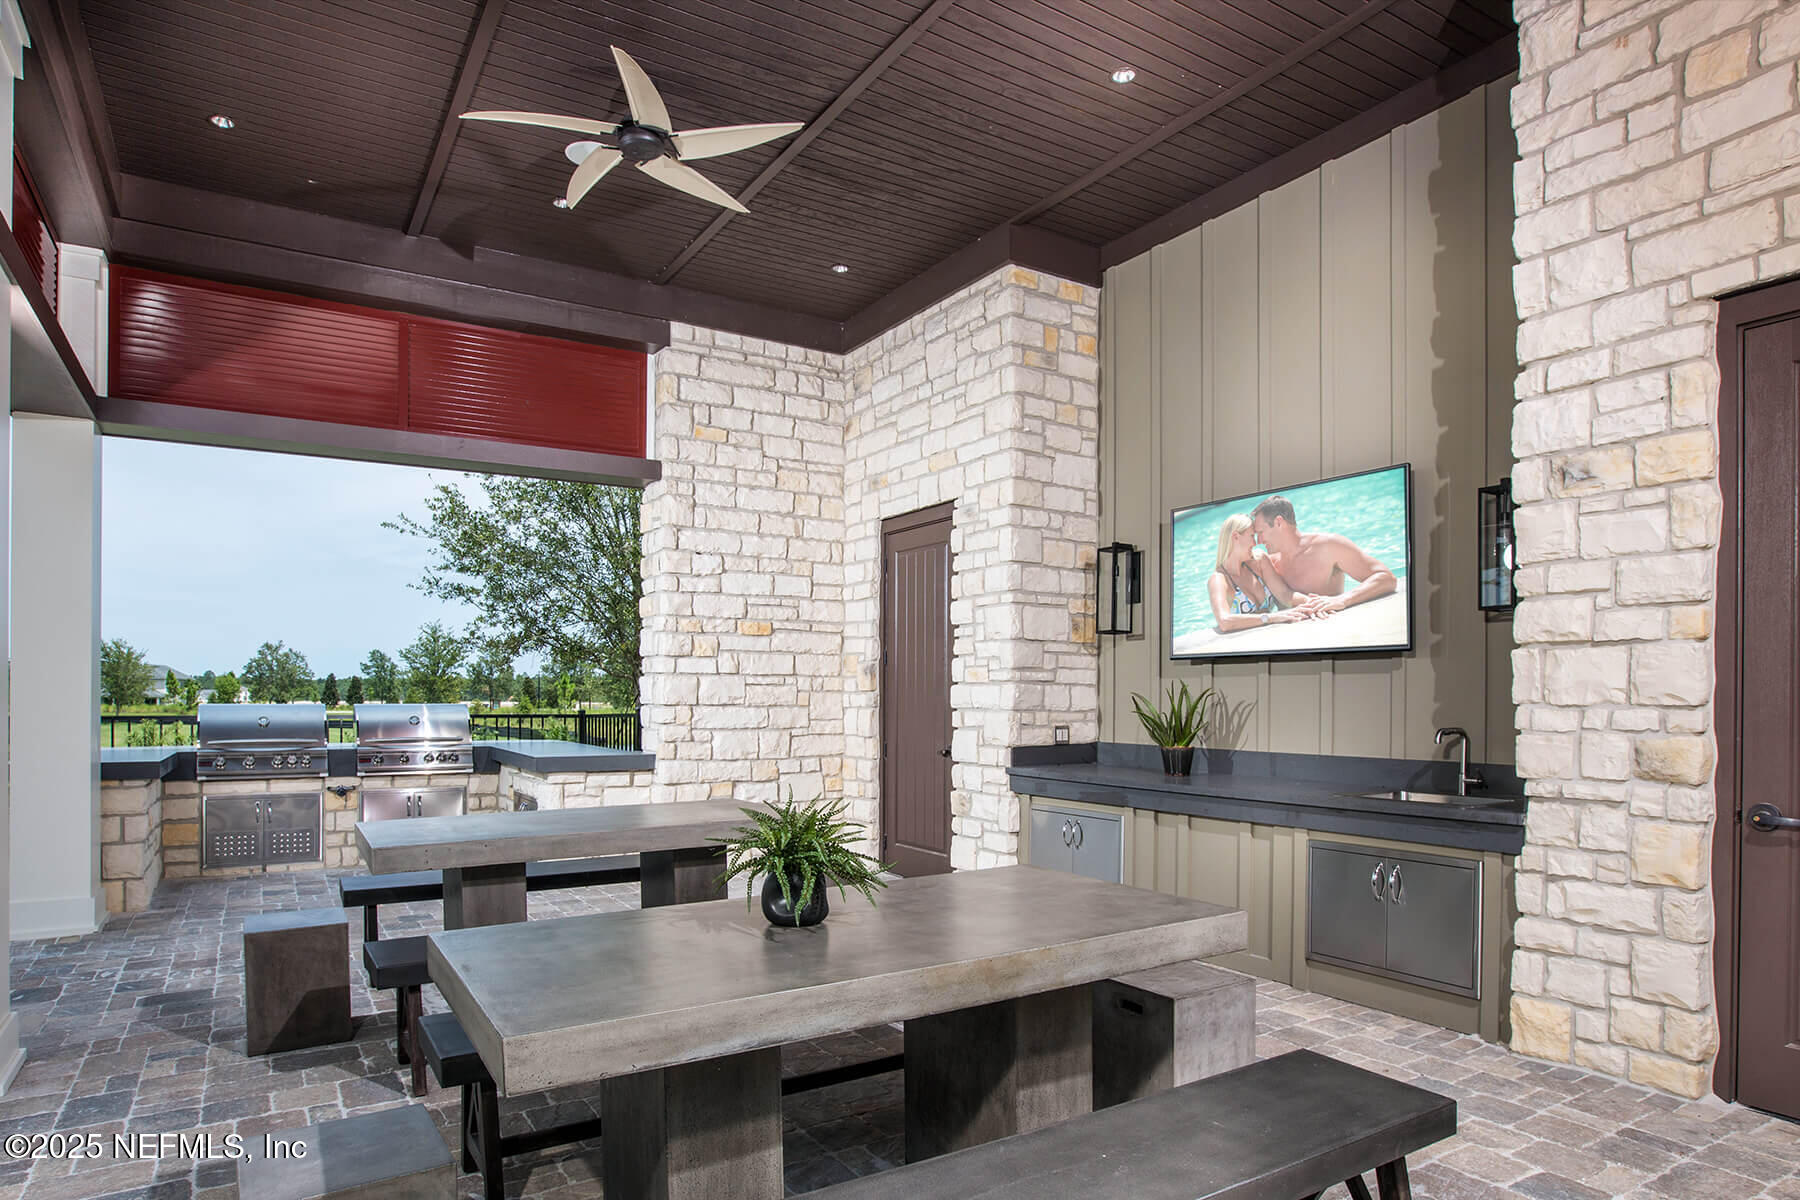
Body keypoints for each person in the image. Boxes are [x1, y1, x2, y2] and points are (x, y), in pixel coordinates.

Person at [1249, 495, 1397, 613]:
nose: (1259, 541)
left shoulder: (1328, 547)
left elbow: (1386, 578)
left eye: (1261, 533)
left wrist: (1344, 599)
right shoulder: (1270, 563)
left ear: (1279, 522)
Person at [1207, 514, 1318, 633]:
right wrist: (1271, 618)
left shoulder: (1259, 560)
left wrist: (1313, 603)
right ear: (1235, 537)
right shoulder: (1219, 580)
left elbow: (1284, 594)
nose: (1255, 543)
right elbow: (1224, 621)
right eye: (1251, 536)